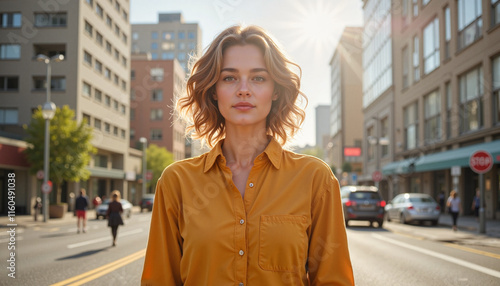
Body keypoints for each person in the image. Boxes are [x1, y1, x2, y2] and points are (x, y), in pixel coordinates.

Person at [141, 25, 354, 285]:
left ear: (275, 90)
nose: (243, 89)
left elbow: (333, 280)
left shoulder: (315, 179)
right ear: (213, 90)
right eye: (229, 78)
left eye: (258, 78)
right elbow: (159, 280)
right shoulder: (176, 182)